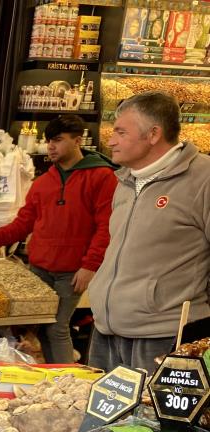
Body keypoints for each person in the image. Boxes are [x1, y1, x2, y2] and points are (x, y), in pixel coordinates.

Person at [0, 115, 118, 364]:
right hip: (40, 268)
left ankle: (66, 380)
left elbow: (106, 227)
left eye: (57, 140)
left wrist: (89, 266)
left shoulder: (102, 177)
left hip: (72, 271)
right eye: (48, 141)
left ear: (78, 140)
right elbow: (22, 225)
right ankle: (50, 377)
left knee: (56, 327)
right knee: (37, 327)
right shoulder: (43, 182)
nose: (50, 146)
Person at [89, 91, 210, 373]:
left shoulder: (202, 178)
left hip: (162, 338)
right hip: (106, 331)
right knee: (96, 417)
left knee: (149, 419)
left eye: (120, 132)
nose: (111, 141)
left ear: (153, 134)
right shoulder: (126, 180)